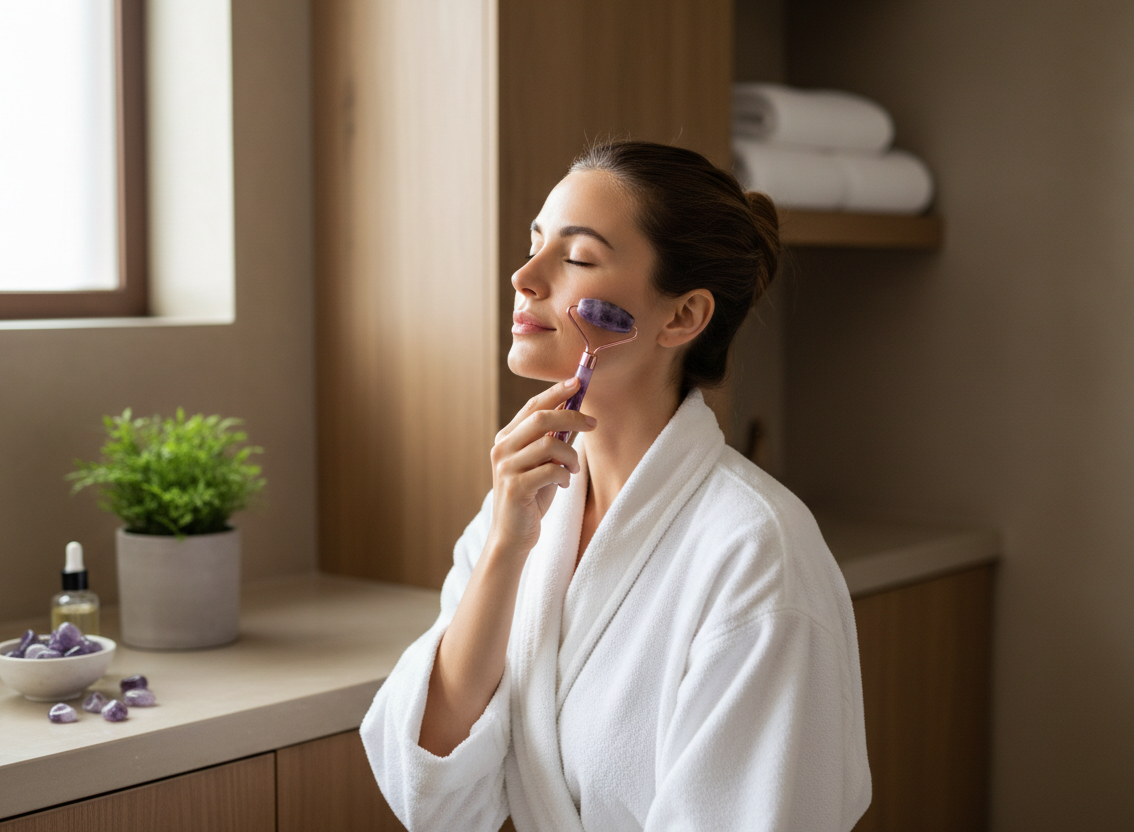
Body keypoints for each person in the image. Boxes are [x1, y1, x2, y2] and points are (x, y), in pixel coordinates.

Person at [361, 140, 871, 831]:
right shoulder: (526, 508)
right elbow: (432, 787)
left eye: (576, 258)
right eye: (535, 243)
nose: (524, 276)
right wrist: (508, 546)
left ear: (683, 317)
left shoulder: (757, 555)